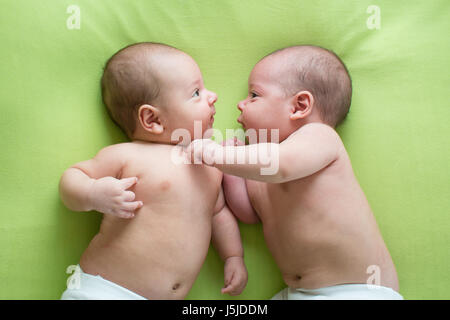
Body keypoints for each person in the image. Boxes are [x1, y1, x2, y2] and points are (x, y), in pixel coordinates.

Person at [186, 45, 402, 300]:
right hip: (299, 292)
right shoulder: (261, 168)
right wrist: (230, 173)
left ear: (300, 106)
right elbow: (249, 213)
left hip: (356, 290)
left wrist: (218, 156)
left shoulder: (320, 137)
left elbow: (281, 165)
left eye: (254, 95)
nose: (240, 104)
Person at [59, 42, 247, 299]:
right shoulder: (129, 155)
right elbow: (72, 178)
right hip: (107, 290)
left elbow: (218, 214)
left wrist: (233, 256)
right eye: (196, 93)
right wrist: (93, 193)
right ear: (153, 120)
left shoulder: (211, 165)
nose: (212, 96)